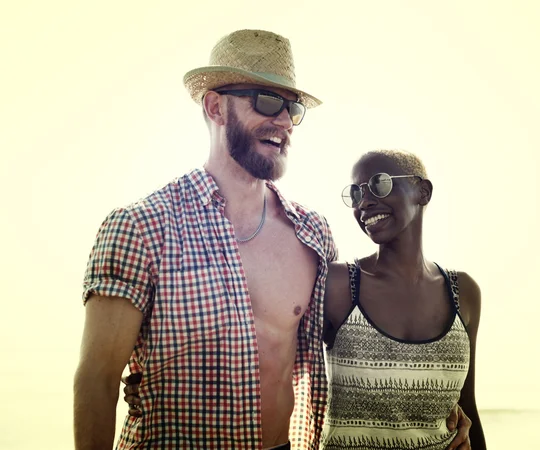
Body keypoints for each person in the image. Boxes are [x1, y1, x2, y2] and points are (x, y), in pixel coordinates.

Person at [75, 29, 472, 450]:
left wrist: (436, 412)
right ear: (215, 107)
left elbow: (360, 346)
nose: (283, 121)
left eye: (292, 108)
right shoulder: (141, 228)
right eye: (266, 102)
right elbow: (97, 380)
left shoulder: (312, 235)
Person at [321, 150, 486, 449]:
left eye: (380, 184)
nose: (365, 202)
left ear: (423, 192)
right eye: (356, 193)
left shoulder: (464, 293)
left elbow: (468, 406)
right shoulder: (338, 284)